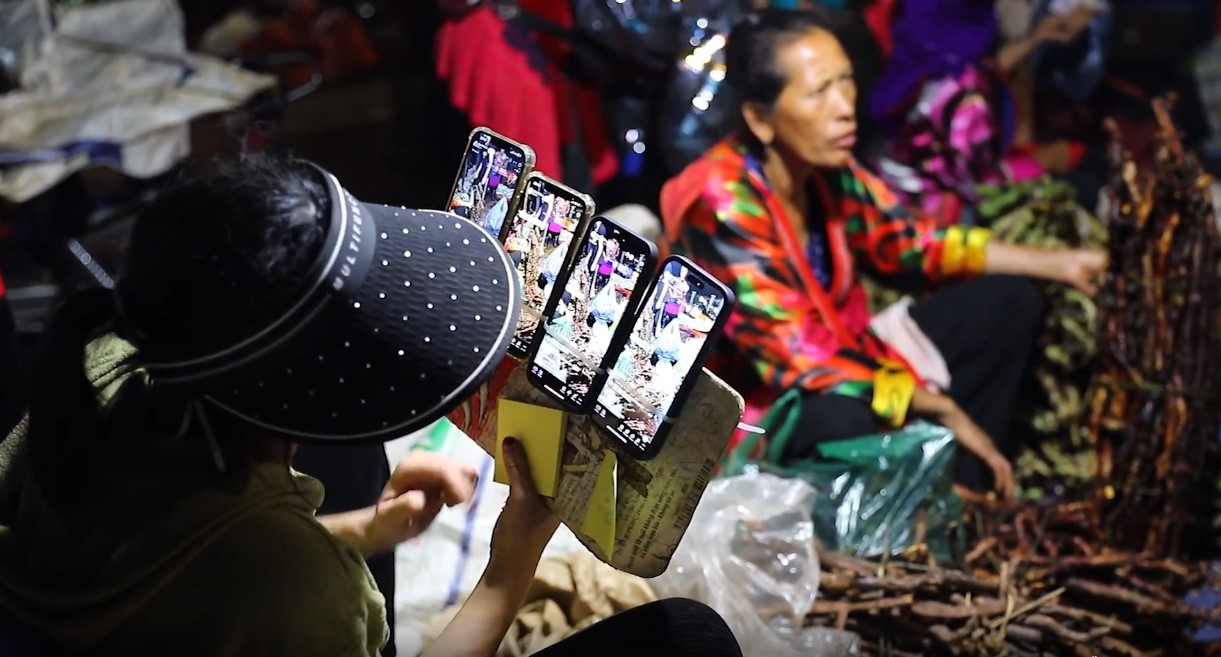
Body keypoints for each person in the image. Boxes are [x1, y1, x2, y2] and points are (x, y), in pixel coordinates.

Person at [0, 155, 744, 657]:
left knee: (353, 462)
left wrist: (366, 529)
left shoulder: (98, 376)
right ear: (299, 387)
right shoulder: (297, 590)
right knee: (688, 636)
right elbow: (247, 577)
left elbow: (183, 563)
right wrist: (507, 566)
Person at [660, 8, 1108, 501]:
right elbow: (799, 359)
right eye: (818, 93)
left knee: (1008, 303)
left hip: (845, 357)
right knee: (845, 413)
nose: (844, 107)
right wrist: (938, 407)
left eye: (846, 83)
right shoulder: (720, 201)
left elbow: (910, 242)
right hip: (754, 411)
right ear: (760, 119)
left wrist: (1058, 264)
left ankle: (968, 490)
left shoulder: (828, 170)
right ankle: (922, 499)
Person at [868, 0, 1097, 227]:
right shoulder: (967, 101)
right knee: (1085, 181)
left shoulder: (916, 61)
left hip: (886, 189)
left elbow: (984, 70)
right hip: (932, 222)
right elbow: (979, 187)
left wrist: (1036, 38)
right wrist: (1038, 166)